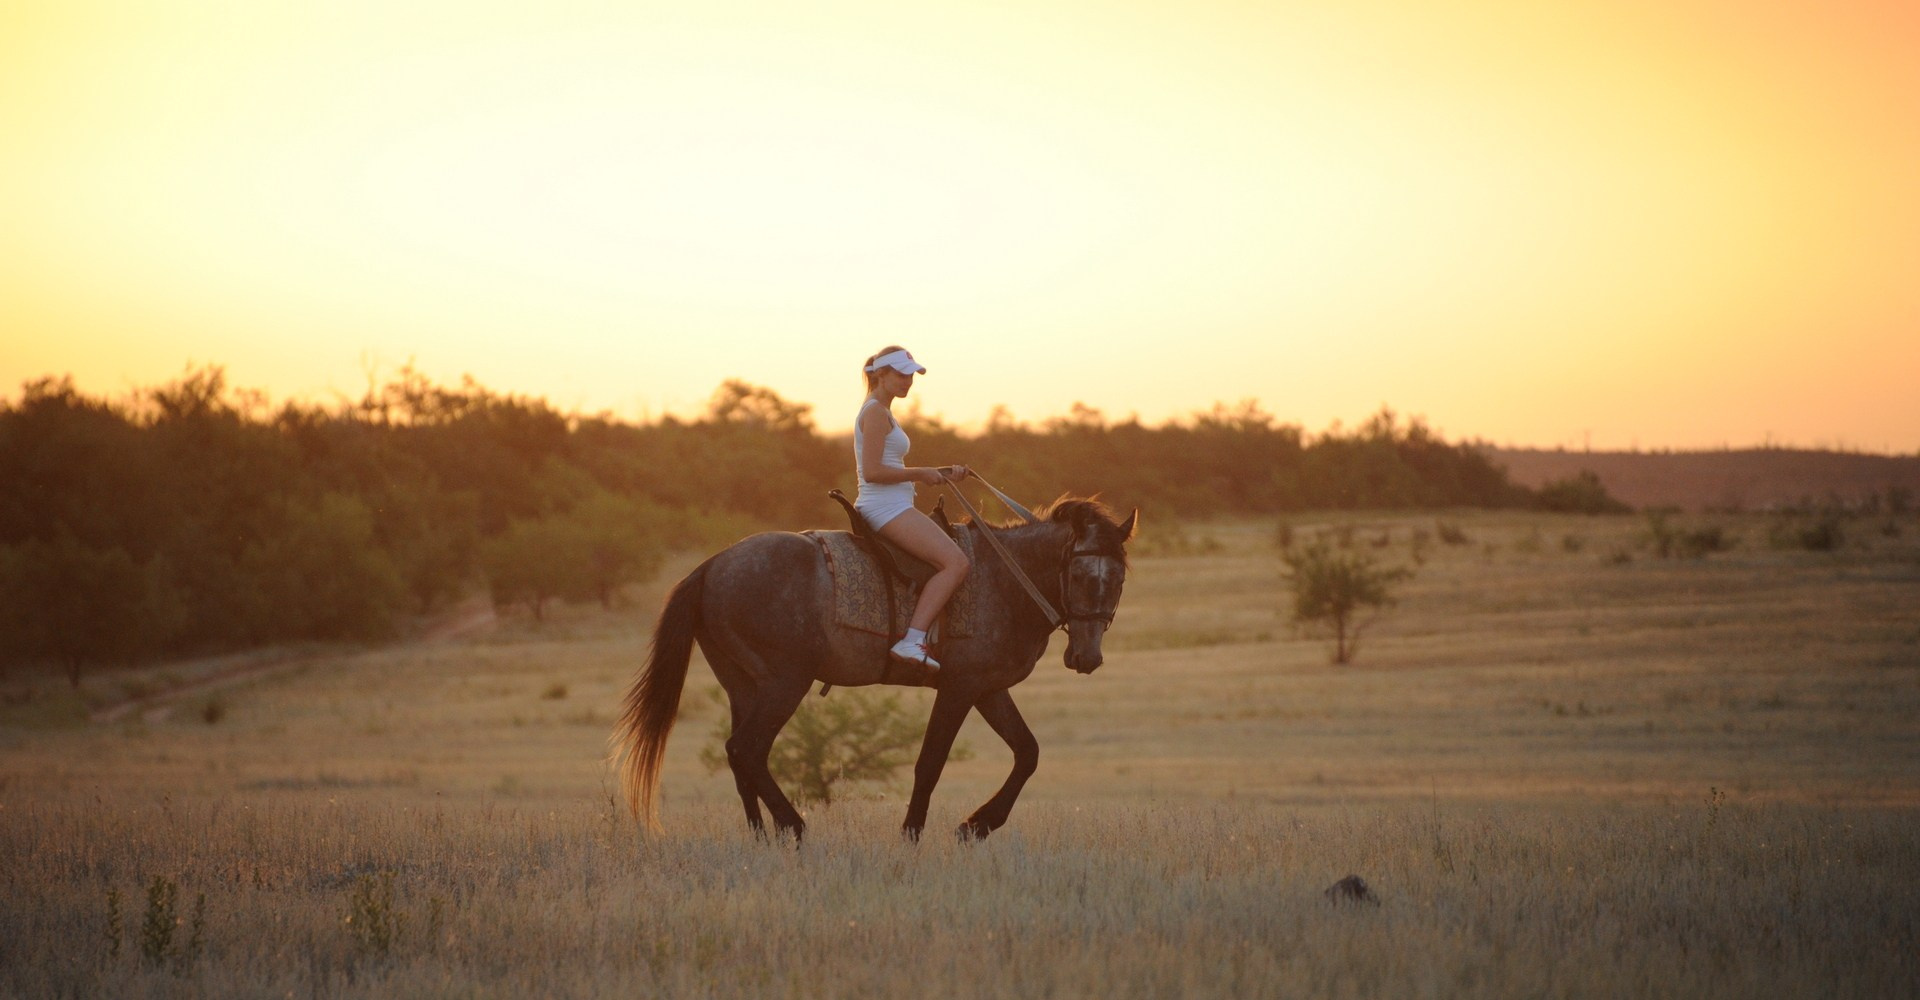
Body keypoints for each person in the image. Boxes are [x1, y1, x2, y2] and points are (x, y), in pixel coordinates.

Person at [854, 346, 971, 673]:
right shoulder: (876, 411)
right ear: (881, 375)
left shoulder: (882, 410)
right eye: (901, 375)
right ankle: (913, 639)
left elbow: (888, 465)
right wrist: (921, 473)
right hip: (884, 506)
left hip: (893, 503)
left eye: (911, 376)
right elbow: (874, 471)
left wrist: (942, 472)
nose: (908, 381)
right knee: (955, 563)